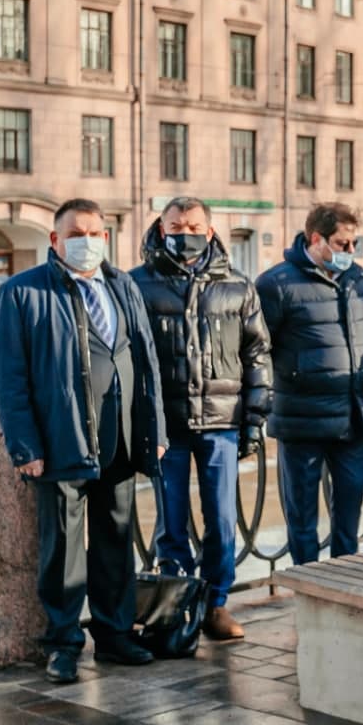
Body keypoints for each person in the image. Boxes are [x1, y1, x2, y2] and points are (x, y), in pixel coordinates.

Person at [0, 199, 166, 683]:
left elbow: (145, 360)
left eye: (95, 233)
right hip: (61, 439)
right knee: (64, 547)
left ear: (106, 238)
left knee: (115, 539)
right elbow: (9, 379)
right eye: (76, 233)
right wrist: (25, 447)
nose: (87, 241)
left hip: (119, 440)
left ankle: (114, 635)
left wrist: (153, 431)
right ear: (55, 240)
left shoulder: (122, 285)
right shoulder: (22, 292)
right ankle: (64, 642)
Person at [132, 197, 271, 641]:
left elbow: (256, 355)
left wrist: (254, 419)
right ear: (162, 228)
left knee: (222, 519)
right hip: (166, 425)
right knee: (170, 522)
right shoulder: (138, 284)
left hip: (221, 421)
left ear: (209, 231)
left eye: (193, 226)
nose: (184, 233)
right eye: (175, 226)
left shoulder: (238, 286)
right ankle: (174, 609)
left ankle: (215, 604)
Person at [256, 202, 363, 565]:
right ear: (316, 239)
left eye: (355, 244)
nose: (351, 252)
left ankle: (348, 583)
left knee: (349, 514)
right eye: (343, 244)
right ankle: (308, 587)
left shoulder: (357, 278)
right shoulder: (276, 284)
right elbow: (260, 349)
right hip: (301, 418)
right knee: (303, 516)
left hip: (352, 415)